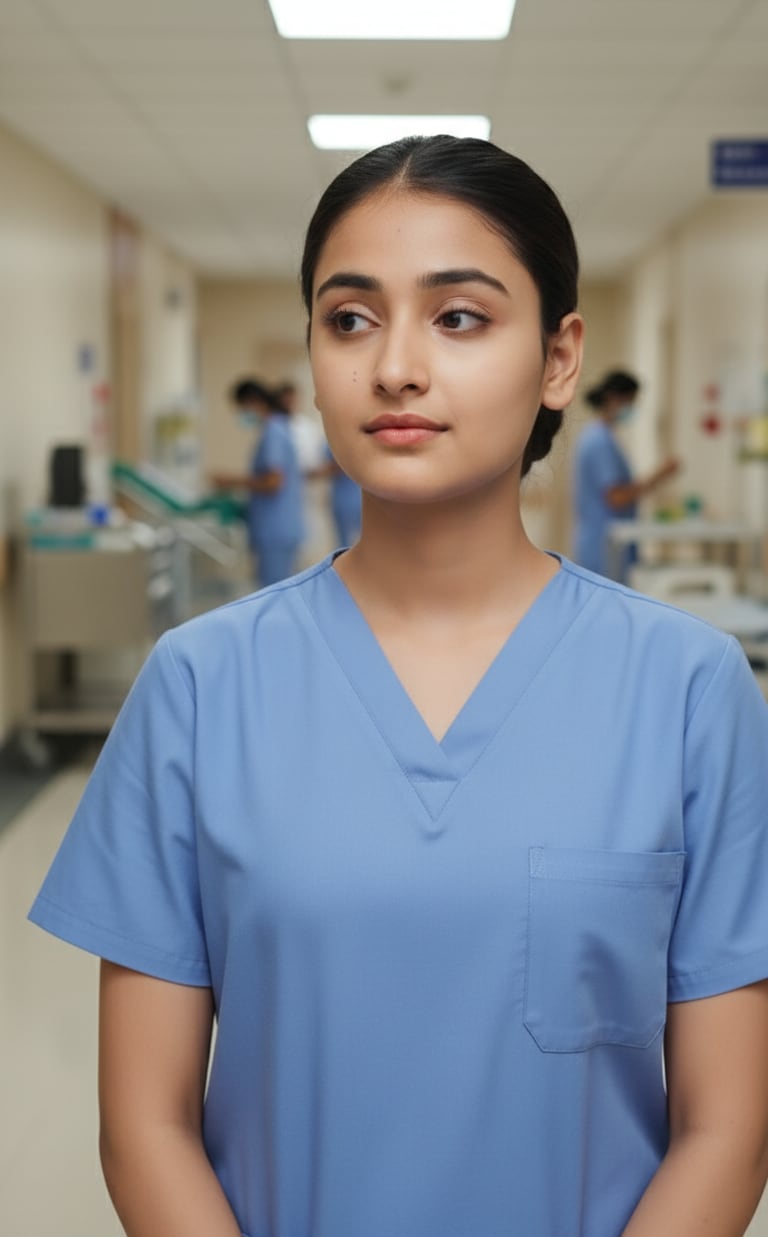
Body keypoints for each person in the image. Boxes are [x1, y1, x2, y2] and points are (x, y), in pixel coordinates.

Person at [28, 136, 768, 1237]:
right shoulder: (200, 686)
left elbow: (729, 1130)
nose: (396, 368)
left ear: (560, 357)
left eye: (459, 316)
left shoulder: (688, 690)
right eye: (351, 318)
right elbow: (146, 1124)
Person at [572, 368, 680, 580]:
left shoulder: (602, 437)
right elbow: (617, 497)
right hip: (604, 546)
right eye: (630, 401)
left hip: (606, 542)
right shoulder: (599, 441)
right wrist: (659, 475)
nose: (632, 408)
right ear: (614, 398)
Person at [215, 376, 306, 586]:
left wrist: (230, 481)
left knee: (275, 594)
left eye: (240, 408)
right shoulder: (279, 428)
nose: (240, 414)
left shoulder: (273, 432)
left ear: (252, 402)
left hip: (276, 529)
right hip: (280, 526)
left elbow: (273, 482)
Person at [324, 441, 362, 546]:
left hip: (347, 501)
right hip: (353, 498)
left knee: (346, 543)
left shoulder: (337, 441)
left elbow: (337, 466)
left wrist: (312, 473)